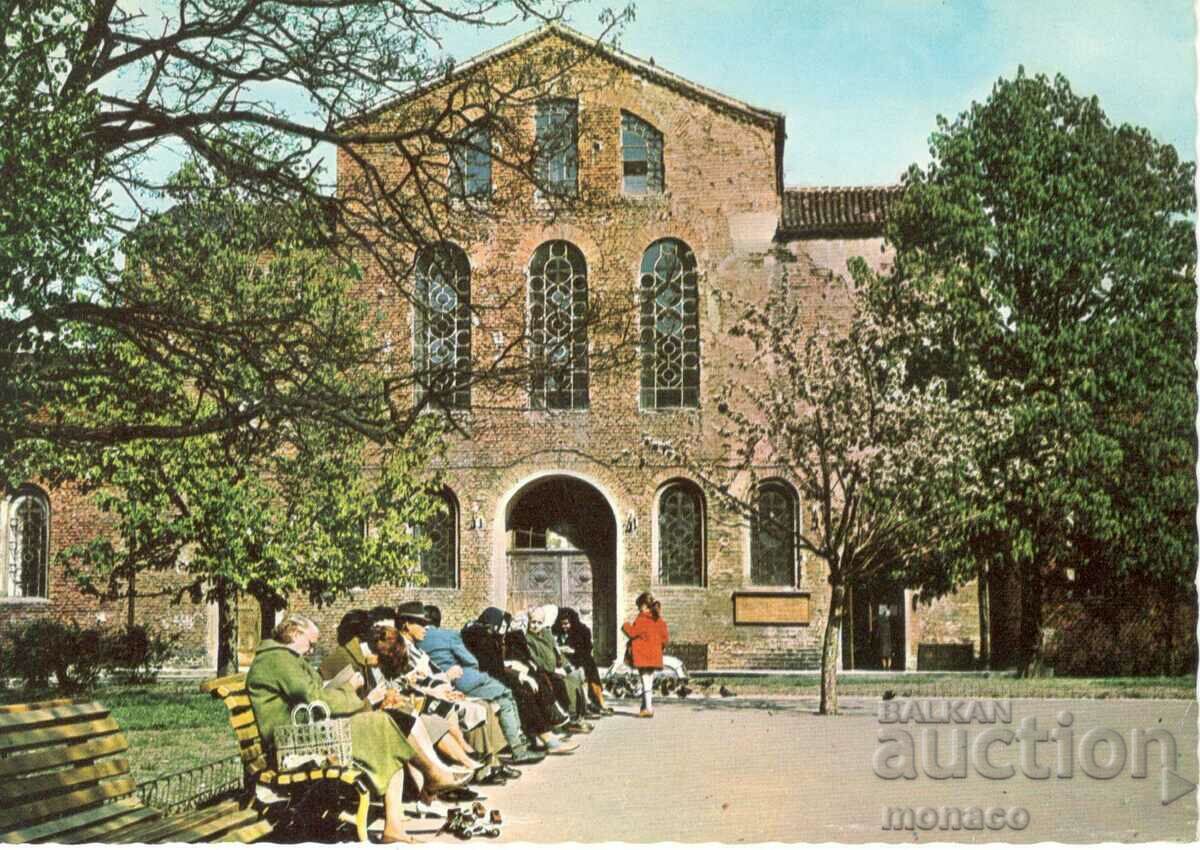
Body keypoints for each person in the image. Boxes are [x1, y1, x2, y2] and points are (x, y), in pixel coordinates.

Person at [246, 612, 453, 843]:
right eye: (310, 643)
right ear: (295, 633)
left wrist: (345, 692)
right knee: (384, 723)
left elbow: (314, 695)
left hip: (305, 731)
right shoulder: (278, 659)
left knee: (387, 727)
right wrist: (349, 689)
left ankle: (396, 824)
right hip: (292, 742)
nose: (312, 650)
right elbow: (316, 699)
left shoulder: (284, 658)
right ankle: (433, 774)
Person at [397, 601, 545, 766]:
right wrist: (449, 677)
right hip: (456, 682)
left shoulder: (416, 644)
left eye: (426, 623)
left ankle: (494, 761)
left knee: (486, 706)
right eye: (420, 623)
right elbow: (471, 661)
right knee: (506, 695)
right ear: (407, 624)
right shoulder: (441, 637)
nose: (425, 627)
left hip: (444, 686)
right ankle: (518, 750)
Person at [463, 607, 577, 754]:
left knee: (530, 686)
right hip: (482, 681)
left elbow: (497, 666)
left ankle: (542, 736)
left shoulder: (482, 635)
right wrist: (518, 676)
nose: (504, 631)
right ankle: (547, 738)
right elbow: (494, 669)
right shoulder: (484, 639)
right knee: (523, 693)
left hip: (487, 678)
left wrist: (518, 673)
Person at [524, 605, 592, 732]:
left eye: (539, 622)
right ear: (528, 621)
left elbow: (557, 653)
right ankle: (570, 718)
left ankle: (578, 714)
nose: (536, 625)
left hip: (557, 668)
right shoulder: (528, 639)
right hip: (545, 671)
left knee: (576, 675)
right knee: (565, 682)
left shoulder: (546, 634)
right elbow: (535, 659)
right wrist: (554, 669)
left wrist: (567, 666)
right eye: (533, 622)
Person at [553, 606, 611, 715]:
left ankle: (600, 703)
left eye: (566, 624)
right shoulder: (558, 632)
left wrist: (573, 651)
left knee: (589, 673)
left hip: (582, 659)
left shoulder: (582, 630)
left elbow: (587, 649)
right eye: (562, 624)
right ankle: (586, 704)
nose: (564, 626)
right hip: (567, 662)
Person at [622, 592, 669, 718]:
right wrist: (659, 648)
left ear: (644, 605)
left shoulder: (642, 619)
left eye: (639, 606)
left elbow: (632, 633)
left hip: (643, 655)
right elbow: (665, 637)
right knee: (649, 680)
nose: (638, 609)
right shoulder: (658, 619)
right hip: (654, 655)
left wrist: (625, 625)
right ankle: (644, 706)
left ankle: (648, 708)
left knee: (645, 681)